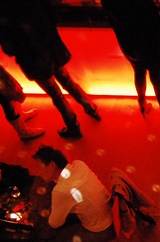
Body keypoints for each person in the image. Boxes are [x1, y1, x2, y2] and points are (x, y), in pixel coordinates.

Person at [0, 0, 101, 139]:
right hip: (52, 50)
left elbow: (9, 48)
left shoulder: (4, 11)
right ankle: (91, 109)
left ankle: (73, 127)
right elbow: (54, 16)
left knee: (56, 94)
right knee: (68, 82)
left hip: (33, 60)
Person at [32, 146, 115, 242]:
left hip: (103, 230)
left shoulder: (60, 191)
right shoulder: (79, 164)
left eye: (39, 167)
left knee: (57, 240)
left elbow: (54, 223)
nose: (39, 172)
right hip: (113, 212)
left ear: (52, 165)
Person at [101, 0, 160, 122]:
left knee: (139, 72)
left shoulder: (110, 3)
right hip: (151, 45)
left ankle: (142, 104)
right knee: (157, 78)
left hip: (130, 47)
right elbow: (158, 23)